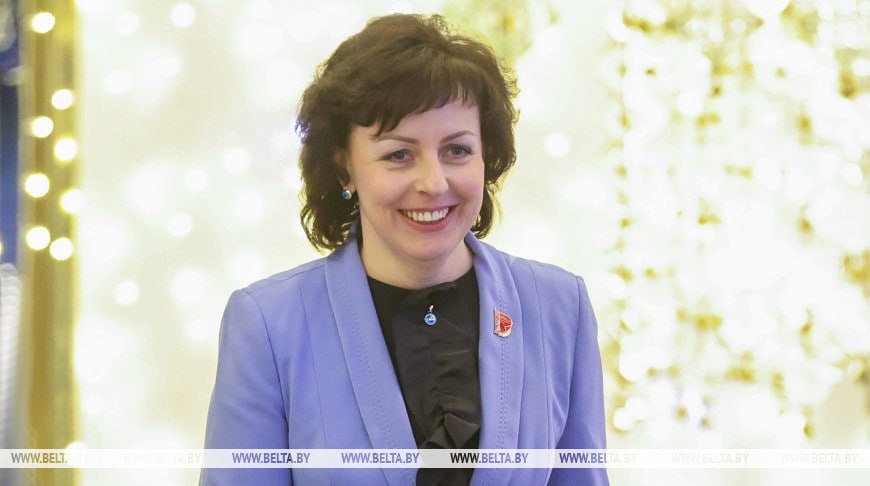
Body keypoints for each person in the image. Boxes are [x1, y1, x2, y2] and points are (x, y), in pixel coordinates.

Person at [201, 13, 608, 486]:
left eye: (457, 150)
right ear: (345, 168)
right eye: (398, 155)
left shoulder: (560, 307)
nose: (433, 183)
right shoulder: (268, 326)